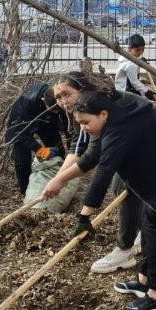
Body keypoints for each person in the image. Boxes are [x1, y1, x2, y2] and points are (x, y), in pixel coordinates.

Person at [41, 89, 156, 310]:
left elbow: (104, 171)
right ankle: (143, 280)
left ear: (103, 115)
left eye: (86, 122)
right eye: (79, 123)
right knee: (148, 225)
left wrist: (85, 215)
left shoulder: (119, 128)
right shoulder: (114, 119)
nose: (83, 128)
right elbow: (92, 157)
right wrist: (59, 180)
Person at [52, 71, 143, 274]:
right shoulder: (82, 109)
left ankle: (124, 250)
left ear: (82, 90)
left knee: (123, 184)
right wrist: (58, 180)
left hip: (145, 143)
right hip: (133, 145)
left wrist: (84, 215)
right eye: (58, 97)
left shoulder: (101, 106)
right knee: (129, 186)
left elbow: (95, 157)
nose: (62, 101)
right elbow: (78, 146)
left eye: (67, 94)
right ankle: (142, 235)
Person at [5, 83, 67, 194]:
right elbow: (18, 131)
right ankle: (26, 191)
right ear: (43, 100)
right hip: (23, 125)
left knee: (57, 151)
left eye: (58, 109)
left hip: (48, 121)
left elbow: (68, 124)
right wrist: (39, 149)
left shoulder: (61, 97)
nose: (57, 112)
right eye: (55, 110)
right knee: (22, 161)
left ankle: (59, 182)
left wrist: (71, 142)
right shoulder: (26, 103)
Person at [115, 34, 156, 102]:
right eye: (138, 50)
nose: (140, 52)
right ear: (130, 49)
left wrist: (141, 60)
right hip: (125, 92)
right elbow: (134, 82)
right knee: (146, 105)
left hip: (123, 88)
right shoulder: (130, 64)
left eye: (142, 50)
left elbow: (136, 59)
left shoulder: (128, 57)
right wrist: (146, 91)